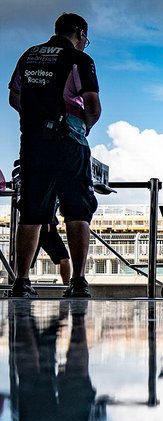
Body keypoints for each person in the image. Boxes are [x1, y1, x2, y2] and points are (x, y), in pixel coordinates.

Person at [8, 13, 101, 298]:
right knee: (77, 209)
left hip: (33, 143)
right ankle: (79, 281)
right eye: (86, 38)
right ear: (80, 33)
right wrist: (81, 127)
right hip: (68, 142)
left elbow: (14, 97)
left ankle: (21, 281)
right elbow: (93, 105)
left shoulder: (29, 55)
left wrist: (36, 118)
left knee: (32, 211)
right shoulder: (79, 60)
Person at [35, 214, 71, 284]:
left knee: (25, 259)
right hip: (48, 226)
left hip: (33, 223)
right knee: (64, 258)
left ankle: (21, 280)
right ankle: (67, 285)